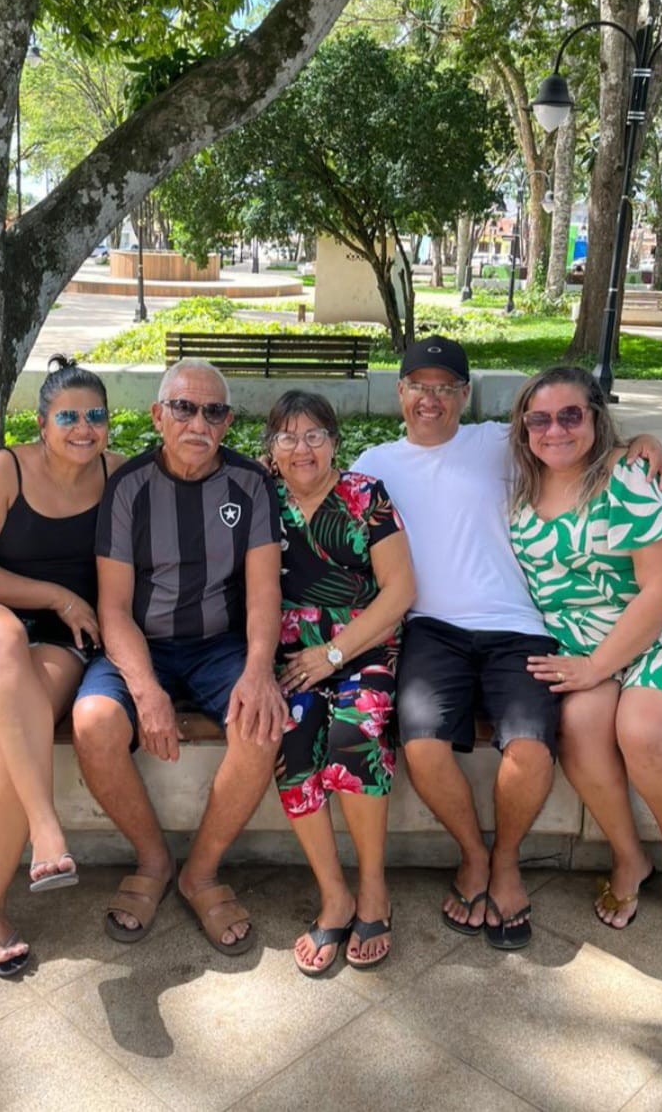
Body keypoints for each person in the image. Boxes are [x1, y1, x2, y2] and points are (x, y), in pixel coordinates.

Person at [354, 335, 662, 950]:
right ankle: (476, 856)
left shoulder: (498, 442)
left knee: (530, 751)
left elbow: (574, 436)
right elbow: (316, 495)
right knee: (422, 749)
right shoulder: (375, 464)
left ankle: (505, 864)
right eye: (419, 385)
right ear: (400, 393)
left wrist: (641, 441)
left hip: (518, 628)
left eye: (445, 387)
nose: (431, 398)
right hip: (429, 629)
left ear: (464, 396)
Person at [73, 359, 287, 954]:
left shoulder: (249, 485)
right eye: (184, 408)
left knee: (262, 726)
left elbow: (265, 591)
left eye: (213, 411)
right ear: (158, 416)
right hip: (141, 643)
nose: (199, 422)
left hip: (221, 646)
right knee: (93, 725)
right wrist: (145, 691)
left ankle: (201, 872)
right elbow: (112, 608)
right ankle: (153, 861)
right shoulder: (129, 487)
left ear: (227, 421)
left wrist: (258, 669)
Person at [509, 366, 662, 931]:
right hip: (578, 642)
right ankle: (630, 855)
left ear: (597, 419)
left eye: (571, 415)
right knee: (578, 728)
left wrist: (600, 666)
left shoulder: (629, 475)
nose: (554, 430)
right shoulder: (521, 481)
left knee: (644, 731)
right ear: (524, 428)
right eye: (540, 419)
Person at [0, 357, 124, 976]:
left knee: (24, 723)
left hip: (60, 642)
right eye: (67, 416)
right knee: (2, 637)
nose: (83, 427)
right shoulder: (4, 469)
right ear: (41, 424)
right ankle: (47, 831)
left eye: (95, 416)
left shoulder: (118, 475)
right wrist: (55, 595)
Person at [265, 391, 415, 975]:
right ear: (270, 447)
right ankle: (335, 895)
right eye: (286, 437)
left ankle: (373, 890)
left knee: (356, 736)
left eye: (314, 436)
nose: (301, 449)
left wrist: (334, 653)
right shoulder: (261, 497)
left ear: (334, 440)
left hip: (364, 647)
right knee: (292, 742)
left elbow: (400, 592)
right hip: (291, 658)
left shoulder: (364, 496)